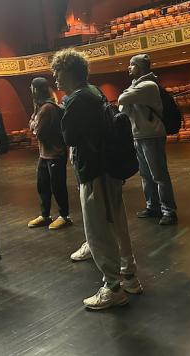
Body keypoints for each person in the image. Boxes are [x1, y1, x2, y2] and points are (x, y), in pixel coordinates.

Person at [51, 48, 141, 310]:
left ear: (69, 72)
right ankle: (129, 277)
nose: (55, 78)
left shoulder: (76, 100)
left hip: (93, 172)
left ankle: (112, 287)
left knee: (98, 231)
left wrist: (61, 108)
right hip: (108, 169)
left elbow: (67, 137)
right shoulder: (95, 92)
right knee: (117, 223)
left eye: (58, 72)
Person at [118, 54, 177, 225]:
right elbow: (123, 109)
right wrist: (128, 96)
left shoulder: (149, 85)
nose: (128, 67)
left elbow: (122, 99)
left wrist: (127, 96)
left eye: (132, 65)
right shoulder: (135, 86)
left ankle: (169, 211)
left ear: (141, 67)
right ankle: (153, 207)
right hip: (138, 134)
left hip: (152, 134)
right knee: (145, 175)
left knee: (159, 175)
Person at [27, 77, 71, 230]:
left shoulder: (47, 108)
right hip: (44, 154)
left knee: (57, 187)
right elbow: (33, 124)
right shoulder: (41, 107)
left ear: (36, 90)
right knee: (43, 186)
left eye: (32, 88)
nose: (31, 91)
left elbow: (38, 133)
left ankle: (64, 216)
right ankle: (45, 216)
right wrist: (34, 124)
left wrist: (34, 125)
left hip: (55, 154)